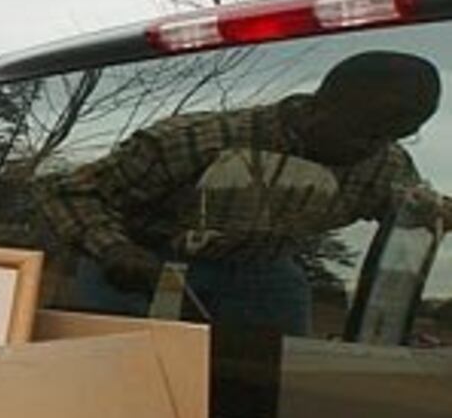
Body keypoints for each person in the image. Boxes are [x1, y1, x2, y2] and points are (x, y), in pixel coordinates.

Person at [34, 50, 448, 336]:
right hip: (148, 263)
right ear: (321, 104)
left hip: (263, 270)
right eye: (367, 129)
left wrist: (437, 214)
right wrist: (112, 250)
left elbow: (416, 208)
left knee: (278, 385)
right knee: (123, 378)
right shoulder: (195, 140)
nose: (374, 147)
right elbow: (69, 193)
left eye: (399, 133)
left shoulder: (386, 163)